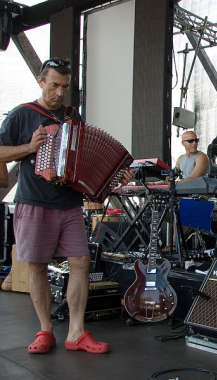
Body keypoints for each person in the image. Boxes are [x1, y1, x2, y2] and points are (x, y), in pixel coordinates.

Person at [0, 58, 110, 354]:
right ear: (41, 81)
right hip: (34, 202)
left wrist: (109, 175)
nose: (60, 93)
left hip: (70, 204)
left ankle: (75, 332)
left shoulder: (74, 116)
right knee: (36, 266)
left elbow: (86, 157)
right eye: (54, 85)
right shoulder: (23, 115)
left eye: (65, 87)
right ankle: (45, 330)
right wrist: (29, 148)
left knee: (81, 262)